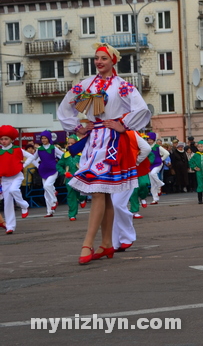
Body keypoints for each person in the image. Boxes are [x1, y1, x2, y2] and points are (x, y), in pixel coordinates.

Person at [57, 43, 151, 264]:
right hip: (92, 142)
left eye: (103, 58)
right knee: (104, 193)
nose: (99, 62)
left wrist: (123, 124)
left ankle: (87, 243)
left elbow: (141, 108)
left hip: (111, 143)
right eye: (96, 58)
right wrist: (77, 127)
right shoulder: (87, 84)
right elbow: (65, 107)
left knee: (99, 192)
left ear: (113, 61)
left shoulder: (121, 86)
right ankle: (107, 243)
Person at [111, 133, 151, 252]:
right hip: (109, 172)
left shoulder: (129, 132)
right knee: (111, 208)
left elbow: (146, 148)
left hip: (126, 172)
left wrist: (135, 162)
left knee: (117, 204)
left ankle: (127, 236)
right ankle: (115, 243)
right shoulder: (103, 130)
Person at [0, 125, 34, 234]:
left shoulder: (17, 150)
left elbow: (32, 157)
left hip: (17, 176)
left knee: (13, 190)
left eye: (6, 139)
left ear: (11, 139)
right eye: (1, 139)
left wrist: (24, 164)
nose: (3, 141)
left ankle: (24, 205)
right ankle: (10, 226)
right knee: (7, 203)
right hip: (5, 179)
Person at [56, 134, 88, 221]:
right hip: (69, 179)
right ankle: (72, 214)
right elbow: (59, 166)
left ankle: (82, 199)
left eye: (72, 143)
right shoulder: (65, 155)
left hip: (80, 178)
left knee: (80, 193)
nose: (70, 145)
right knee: (71, 195)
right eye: (68, 143)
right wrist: (64, 172)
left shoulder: (82, 155)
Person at [32, 130, 64, 216]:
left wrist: (59, 164)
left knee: (47, 185)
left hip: (53, 170)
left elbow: (63, 156)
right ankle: (49, 211)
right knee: (46, 192)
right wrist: (38, 166)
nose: (43, 140)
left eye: (45, 138)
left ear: (49, 138)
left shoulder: (54, 148)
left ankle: (54, 201)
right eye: (42, 138)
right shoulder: (39, 149)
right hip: (43, 171)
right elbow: (32, 158)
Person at [145, 132, 169, 205]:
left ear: (154, 140)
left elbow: (167, 153)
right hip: (150, 165)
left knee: (153, 173)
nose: (149, 141)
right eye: (148, 140)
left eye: (151, 140)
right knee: (152, 183)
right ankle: (155, 199)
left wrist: (162, 159)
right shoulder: (146, 147)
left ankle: (160, 183)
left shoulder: (157, 147)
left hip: (158, 164)